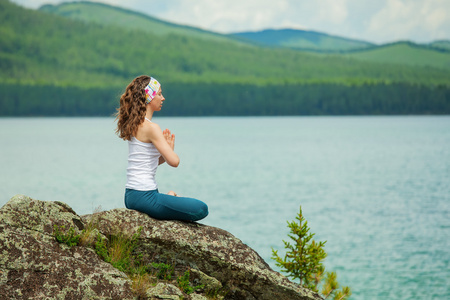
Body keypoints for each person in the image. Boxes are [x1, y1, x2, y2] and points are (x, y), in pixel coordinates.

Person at [115, 75, 208, 222]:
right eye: (159, 94)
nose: (163, 98)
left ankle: (167, 199)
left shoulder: (134, 124)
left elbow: (148, 162)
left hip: (131, 195)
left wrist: (164, 154)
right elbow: (174, 162)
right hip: (145, 196)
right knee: (202, 208)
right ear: (148, 97)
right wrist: (170, 150)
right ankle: (169, 197)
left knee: (173, 203)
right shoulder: (152, 128)